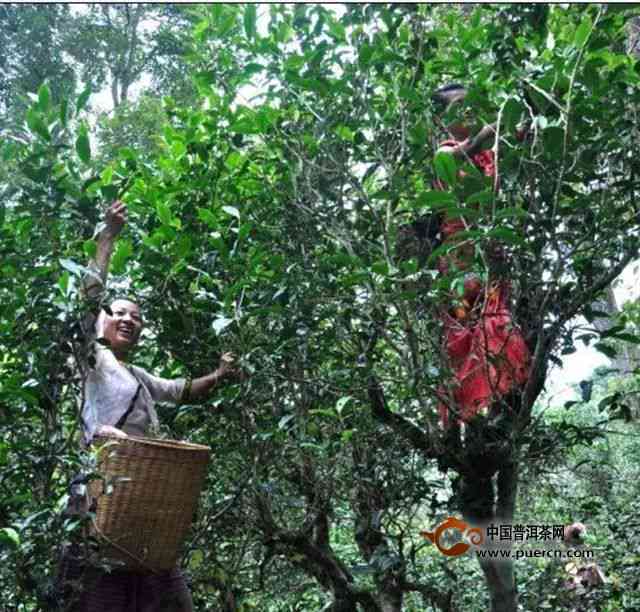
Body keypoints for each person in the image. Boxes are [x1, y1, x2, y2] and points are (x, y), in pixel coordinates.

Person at [56, 200, 241, 611]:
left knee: (167, 595)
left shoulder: (138, 375)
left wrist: (220, 374)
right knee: (99, 592)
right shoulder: (92, 358)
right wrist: (107, 238)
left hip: (142, 500)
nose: (128, 319)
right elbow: (87, 302)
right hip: (102, 497)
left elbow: (180, 390)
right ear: (103, 320)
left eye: (136, 317)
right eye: (119, 312)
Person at [431, 84, 531, 426]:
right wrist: (494, 130)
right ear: (441, 119)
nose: (468, 111)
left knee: (495, 327)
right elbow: (468, 148)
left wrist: (525, 118)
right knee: (463, 335)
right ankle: (466, 416)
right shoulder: (445, 153)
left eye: (471, 105)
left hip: (491, 254)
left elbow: (513, 144)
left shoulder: (487, 157)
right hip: (461, 259)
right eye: (458, 107)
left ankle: (493, 407)